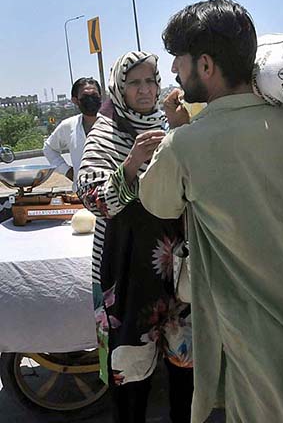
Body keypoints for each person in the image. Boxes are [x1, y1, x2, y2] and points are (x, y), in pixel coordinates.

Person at [139, 0, 283, 422]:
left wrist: (179, 132)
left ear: (205, 66)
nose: (172, 72)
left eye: (178, 61)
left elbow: (158, 201)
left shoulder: (184, 145)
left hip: (258, 334)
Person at [77, 51, 193, 423]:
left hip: (175, 265)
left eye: (151, 81)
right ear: (120, 88)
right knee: (130, 370)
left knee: (184, 362)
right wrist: (129, 165)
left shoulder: (167, 121)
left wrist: (181, 133)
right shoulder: (107, 131)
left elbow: (193, 180)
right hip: (126, 266)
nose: (145, 90)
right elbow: (91, 197)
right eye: (135, 83)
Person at [42, 77, 102, 191]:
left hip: (114, 196)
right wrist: (67, 171)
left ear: (100, 97)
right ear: (75, 100)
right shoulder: (68, 125)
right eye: (85, 97)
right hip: (83, 194)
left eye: (94, 95)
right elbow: (49, 148)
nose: (91, 100)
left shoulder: (114, 123)